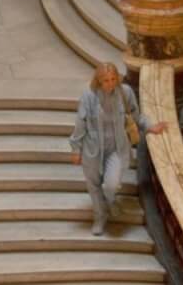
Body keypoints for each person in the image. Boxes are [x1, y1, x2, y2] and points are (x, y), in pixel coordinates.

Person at [69, 62, 166, 236]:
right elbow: (80, 124)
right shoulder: (88, 97)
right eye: (106, 80)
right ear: (98, 80)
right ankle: (100, 217)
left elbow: (136, 116)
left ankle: (110, 201)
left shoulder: (125, 93)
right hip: (93, 151)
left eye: (113, 79)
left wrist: (150, 127)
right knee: (94, 186)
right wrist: (76, 149)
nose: (110, 83)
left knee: (111, 184)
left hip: (117, 149)